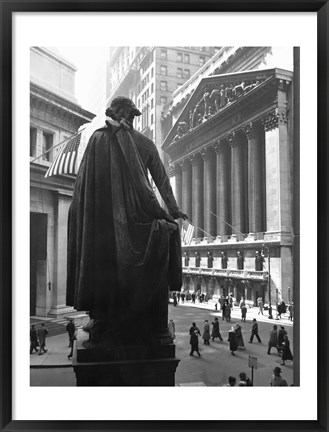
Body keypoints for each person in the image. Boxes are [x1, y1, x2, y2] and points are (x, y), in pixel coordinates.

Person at [66, 96, 188, 347]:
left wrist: (173, 210)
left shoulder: (136, 143)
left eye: (133, 116)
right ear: (117, 114)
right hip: (110, 219)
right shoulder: (102, 139)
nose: (131, 120)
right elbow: (87, 186)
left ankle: (124, 317)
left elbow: (161, 179)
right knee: (108, 251)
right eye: (128, 115)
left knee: (167, 231)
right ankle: (103, 316)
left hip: (127, 217)